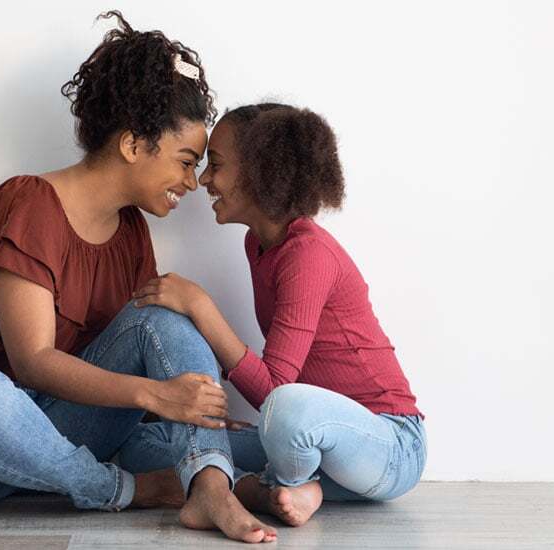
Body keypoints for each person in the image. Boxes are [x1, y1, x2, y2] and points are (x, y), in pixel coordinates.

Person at [0, 13, 276, 543]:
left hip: (65, 432)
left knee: (169, 317)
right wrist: (156, 396)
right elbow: (33, 362)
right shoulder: (29, 202)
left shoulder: (131, 231)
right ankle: (124, 489)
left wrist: (185, 417)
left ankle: (209, 484)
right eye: (185, 161)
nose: (192, 182)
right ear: (133, 145)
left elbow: (147, 352)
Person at [120, 103, 426, 527]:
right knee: (144, 442)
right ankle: (272, 490)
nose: (205, 179)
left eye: (217, 166)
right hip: (303, 433)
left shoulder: (308, 254)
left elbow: (277, 391)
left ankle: (291, 482)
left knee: (286, 409)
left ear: (260, 172)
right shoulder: (259, 245)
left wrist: (200, 306)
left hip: (389, 443)